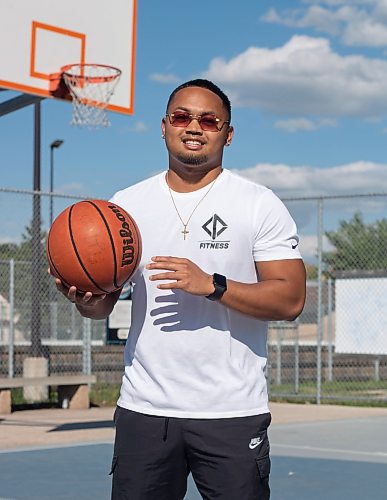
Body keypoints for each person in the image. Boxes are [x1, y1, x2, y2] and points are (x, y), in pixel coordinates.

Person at [52, 79, 306, 499]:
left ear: (228, 133)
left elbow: (291, 298)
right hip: (146, 410)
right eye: (181, 117)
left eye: (209, 120)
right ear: (164, 126)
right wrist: (87, 300)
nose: (193, 126)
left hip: (231, 411)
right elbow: (103, 307)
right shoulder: (126, 206)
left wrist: (212, 285)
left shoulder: (257, 203)